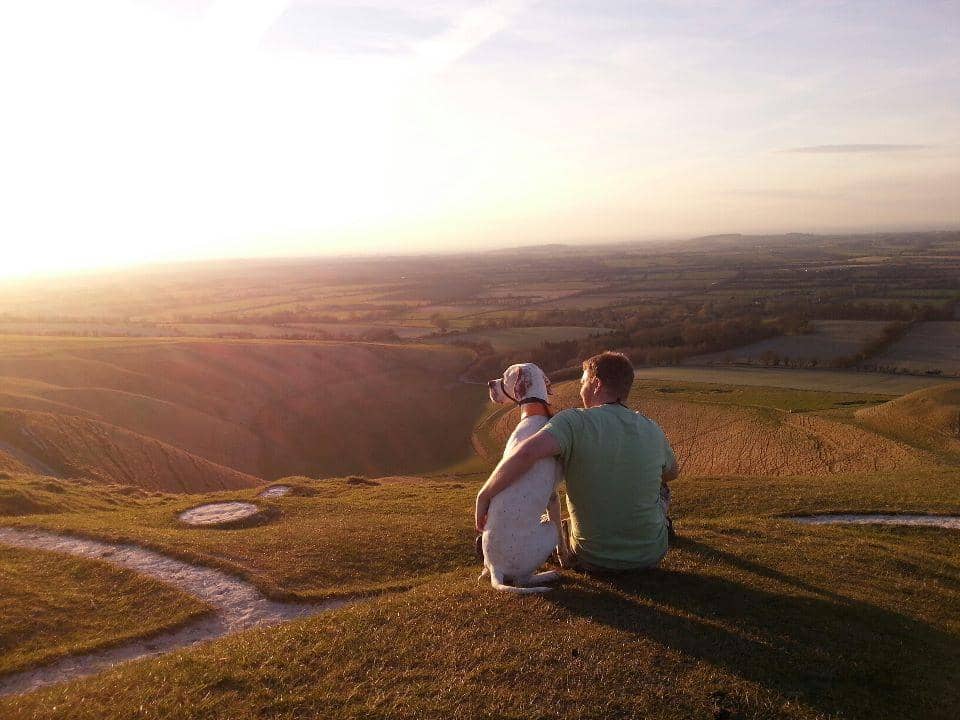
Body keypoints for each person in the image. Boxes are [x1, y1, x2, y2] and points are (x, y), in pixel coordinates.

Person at [475, 351, 678, 573]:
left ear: (596, 384)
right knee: (661, 488)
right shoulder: (652, 428)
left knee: (557, 523)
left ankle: (510, 547)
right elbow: (672, 473)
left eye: (583, 383)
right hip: (650, 557)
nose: (581, 390)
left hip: (592, 558)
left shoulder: (573, 422)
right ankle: (655, 529)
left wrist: (484, 495)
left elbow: (525, 454)